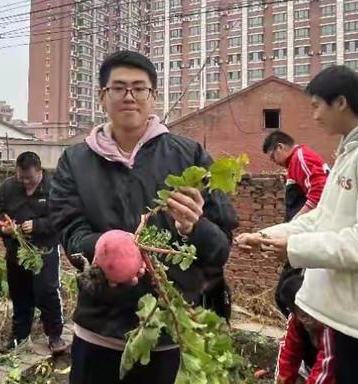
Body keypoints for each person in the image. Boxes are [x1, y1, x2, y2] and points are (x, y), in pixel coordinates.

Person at [50, 50, 238, 384]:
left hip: (167, 331)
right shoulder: (74, 161)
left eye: (139, 88)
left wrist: (193, 226)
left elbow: (221, 248)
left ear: (153, 96)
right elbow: (70, 233)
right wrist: (111, 249)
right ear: (102, 96)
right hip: (98, 329)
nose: (129, 97)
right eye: (118, 88)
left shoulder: (189, 157)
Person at [237, 66, 358, 383]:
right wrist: (269, 237)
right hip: (344, 317)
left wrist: (294, 248)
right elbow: (323, 219)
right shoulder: (351, 153)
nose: (314, 115)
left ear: (340, 103)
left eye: (316, 105)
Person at [0, 152, 66, 354]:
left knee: (48, 292)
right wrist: (2, 227)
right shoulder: (8, 187)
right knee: (19, 293)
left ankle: (55, 335)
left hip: (45, 250)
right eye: (21, 178)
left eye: (29, 178)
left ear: (40, 171)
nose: (25, 182)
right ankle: (19, 337)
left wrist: (39, 225)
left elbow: (63, 218)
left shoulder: (55, 188)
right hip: (16, 251)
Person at [262, 131, 329, 316]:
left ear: (280, 147)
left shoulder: (300, 157)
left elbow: (319, 191)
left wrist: (296, 221)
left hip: (305, 236)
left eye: (272, 156)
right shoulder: (295, 163)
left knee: (287, 293)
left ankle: (305, 336)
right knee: (287, 293)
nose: (273, 161)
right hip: (299, 237)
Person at [275, 273, 335, 384]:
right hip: (312, 364)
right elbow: (288, 357)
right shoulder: (294, 321)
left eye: (310, 313)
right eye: (303, 315)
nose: (309, 320)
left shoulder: (329, 323)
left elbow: (327, 366)